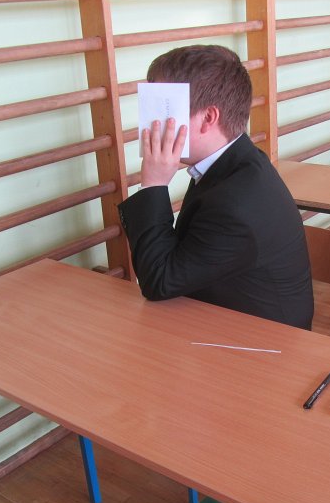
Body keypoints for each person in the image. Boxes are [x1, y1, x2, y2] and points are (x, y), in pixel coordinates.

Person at [117, 45, 314, 330]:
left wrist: (154, 184)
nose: (151, 125)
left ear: (208, 118)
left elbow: (159, 281)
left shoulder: (236, 203)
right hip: (216, 313)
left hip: (263, 340)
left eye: (164, 109)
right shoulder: (234, 160)